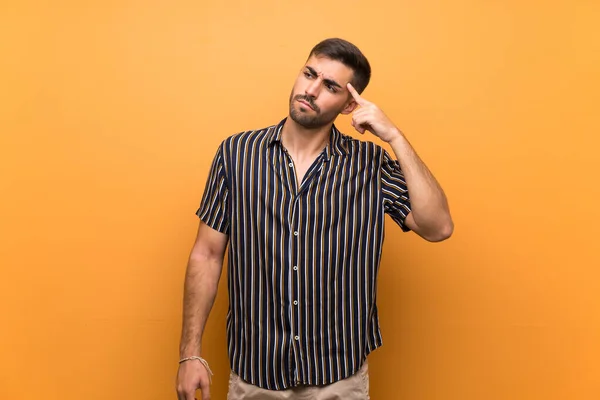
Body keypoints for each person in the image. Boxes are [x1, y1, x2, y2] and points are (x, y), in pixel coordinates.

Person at [176, 38, 453, 400]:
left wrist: (395, 138)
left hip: (339, 380)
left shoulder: (368, 165)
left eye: (330, 86)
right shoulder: (237, 154)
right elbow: (206, 256)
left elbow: (438, 227)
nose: (311, 90)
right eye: (309, 74)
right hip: (254, 377)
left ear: (349, 104)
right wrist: (189, 353)